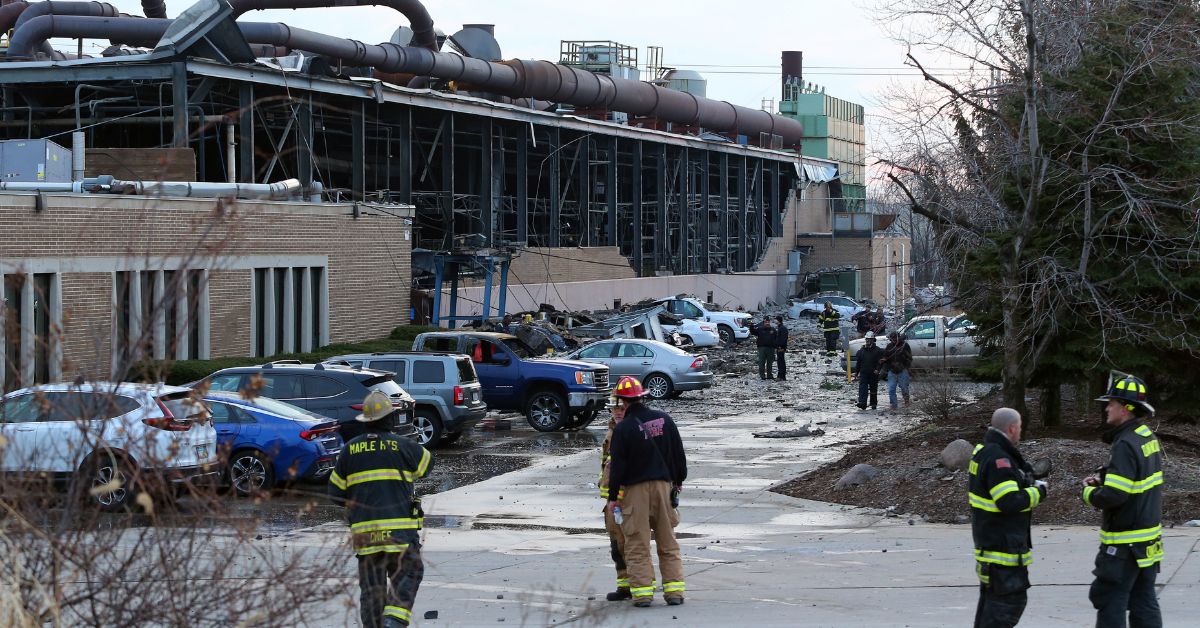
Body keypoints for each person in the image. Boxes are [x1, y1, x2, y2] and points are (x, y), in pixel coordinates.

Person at [329, 390, 433, 628]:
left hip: (367, 539)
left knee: (372, 594)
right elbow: (427, 464)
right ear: (390, 419)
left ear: (366, 421)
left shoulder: (349, 451)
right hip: (400, 535)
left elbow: (335, 492)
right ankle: (393, 622)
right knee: (410, 572)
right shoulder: (403, 446)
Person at [1082, 374, 1163, 628]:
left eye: (1111, 403)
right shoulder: (1145, 436)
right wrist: (1108, 474)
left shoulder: (1125, 443)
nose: (1106, 408)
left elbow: (1115, 495)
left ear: (1125, 409)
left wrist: (1089, 494)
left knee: (1110, 601)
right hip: (1147, 542)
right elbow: (1137, 476)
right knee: (1144, 603)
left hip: (1124, 546)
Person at [604, 376, 687, 608]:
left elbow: (618, 466)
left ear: (623, 400)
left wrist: (613, 498)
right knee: (667, 541)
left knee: (636, 543)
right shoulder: (665, 419)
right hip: (664, 487)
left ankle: (642, 594)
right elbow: (679, 455)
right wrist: (678, 483)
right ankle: (674, 593)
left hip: (634, 492)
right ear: (643, 396)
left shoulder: (624, 428)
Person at [969, 408, 1048, 628]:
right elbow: (1009, 501)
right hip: (1002, 553)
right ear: (1012, 428)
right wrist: (1038, 492)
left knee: (990, 611)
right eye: (1020, 427)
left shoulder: (985, 451)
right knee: (1009, 605)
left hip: (991, 549)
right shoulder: (998, 459)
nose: (1021, 432)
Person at [599, 397, 630, 601]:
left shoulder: (630, 431)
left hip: (628, 499)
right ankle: (624, 586)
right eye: (614, 408)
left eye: (621, 408)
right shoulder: (611, 432)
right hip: (612, 501)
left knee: (634, 545)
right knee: (616, 547)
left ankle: (641, 585)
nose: (617, 412)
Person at [880, 331, 912, 410]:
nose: (893, 340)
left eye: (894, 338)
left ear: (898, 338)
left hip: (903, 370)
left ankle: (906, 400)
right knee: (891, 388)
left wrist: (905, 367)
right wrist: (883, 360)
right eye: (892, 339)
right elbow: (885, 356)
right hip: (892, 370)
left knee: (904, 387)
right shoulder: (889, 346)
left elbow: (910, 358)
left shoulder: (905, 346)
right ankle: (893, 404)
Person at [852, 332, 884, 410]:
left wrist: (878, 369)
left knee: (873, 388)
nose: (868, 341)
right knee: (863, 388)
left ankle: (873, 403)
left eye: (869, 339)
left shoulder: (878, 350)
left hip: (873, 373)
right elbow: (859, 362)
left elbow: (881, 361)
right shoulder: (862, 350)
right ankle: (862, 403)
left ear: (873, 340)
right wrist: (856, 372)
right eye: (867, 339)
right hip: (864, 373)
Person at [774, 315, 789, 381]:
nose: (775, 321)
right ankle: (781, 376)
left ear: (778, 320)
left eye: (776, 319)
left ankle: (781, 376)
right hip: (779, 347)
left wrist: (781, 347)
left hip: (781, 348)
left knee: (781, 362)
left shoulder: (782, 328)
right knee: (780, 361)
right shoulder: (780, 328)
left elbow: (783, 339)